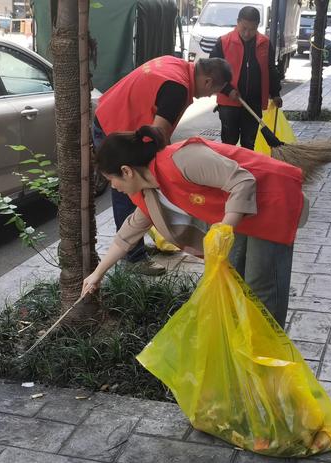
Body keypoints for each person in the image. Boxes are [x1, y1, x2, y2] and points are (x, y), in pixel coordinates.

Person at [82, 126, 309, 329]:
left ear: (127, 171)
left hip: (272, 201)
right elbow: (127, 235)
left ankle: (267, 355)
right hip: (241, 213)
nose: (113, 187)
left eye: (112, 180)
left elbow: (243, 181)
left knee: (262, 287)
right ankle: (244, 343)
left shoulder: (182, 159)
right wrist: (97, 275)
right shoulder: (149, 192)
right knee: (236, 279)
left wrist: (224, 229)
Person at [93, 55, 232, 275]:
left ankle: (134, 243)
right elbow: (157, 138)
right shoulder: (177, 88)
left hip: (110, 113)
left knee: (139, 185)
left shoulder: (174, 64)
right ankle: (133, 257)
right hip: (115, 125)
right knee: (128, 188)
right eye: (213, 91)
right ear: (207, 81)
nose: (210, 96)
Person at [209, 6, 283, 150]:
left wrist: (275, 93)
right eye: (244, 28)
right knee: (229, 143)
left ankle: (245, 171)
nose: (247, 33)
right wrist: (227, 89)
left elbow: (271, 70)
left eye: (252, 29)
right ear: (237, 22)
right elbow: (212, 71)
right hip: (228, 103)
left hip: (253, 103)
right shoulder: (224, 42)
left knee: (248, 144)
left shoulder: (265, 44)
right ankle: (228, 170)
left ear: (257, 26)